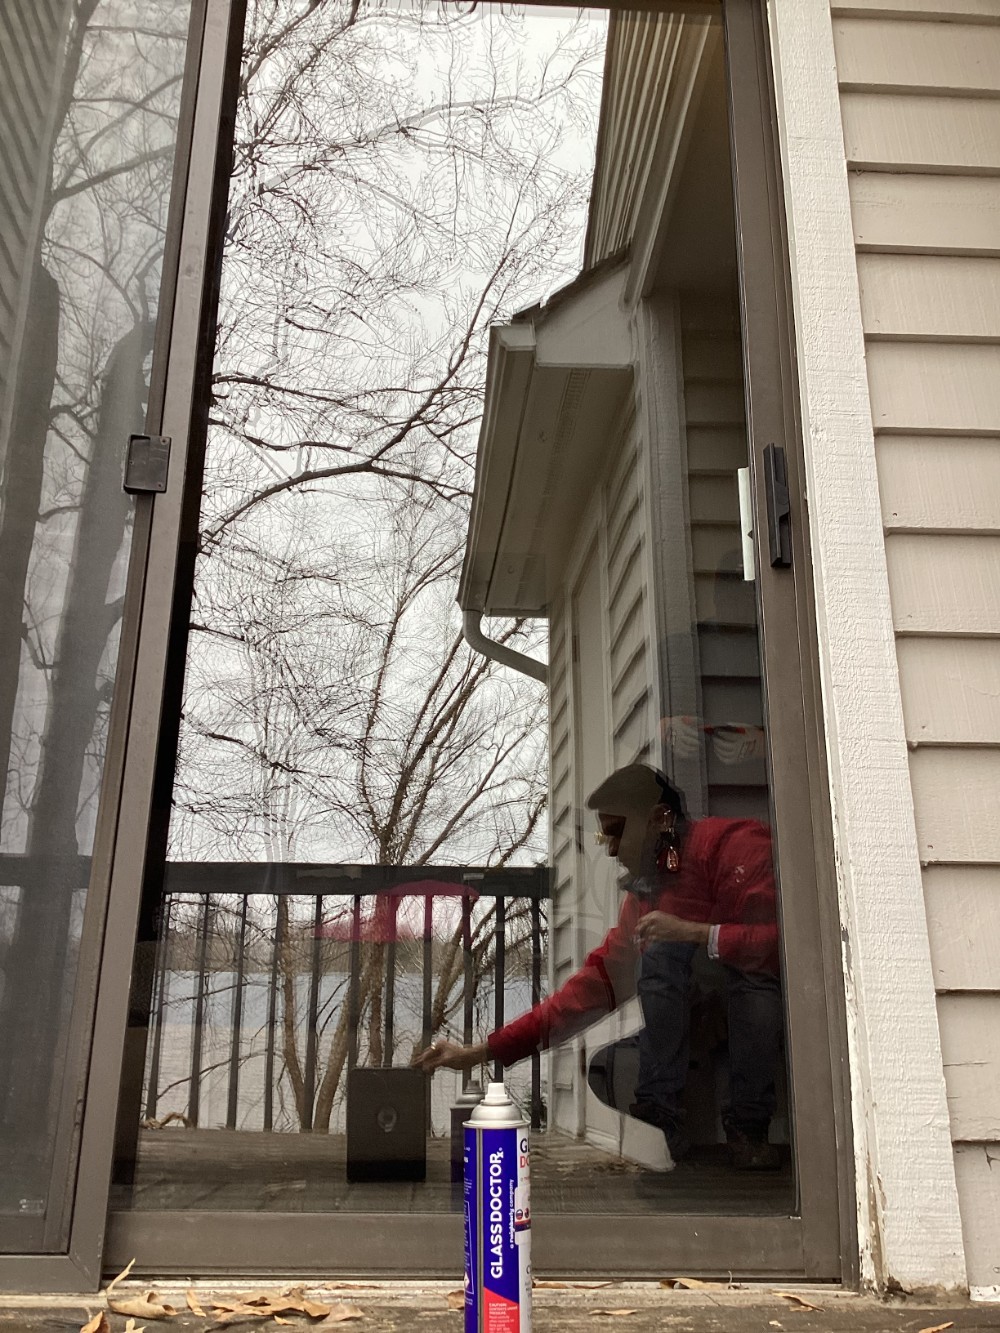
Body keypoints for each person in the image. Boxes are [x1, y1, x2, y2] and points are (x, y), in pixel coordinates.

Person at [413, 763, 783, 1170]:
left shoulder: (733, 845)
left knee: (706, 964)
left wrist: (694, 933)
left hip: (758, 1011)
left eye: (618, 831)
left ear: (660, 819)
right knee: (631, 1008)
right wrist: (481, 1052)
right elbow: (586, 993)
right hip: (697, 1019)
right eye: (602, 835)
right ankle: (659, 1118)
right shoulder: (647, 897)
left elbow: (777, 948)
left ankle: (749, 1129)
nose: (609, 849)